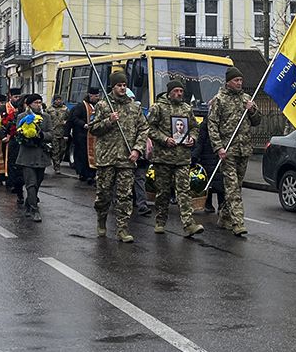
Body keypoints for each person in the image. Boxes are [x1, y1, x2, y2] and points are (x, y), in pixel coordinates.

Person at [90, 71, 148, 243]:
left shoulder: (134, 107)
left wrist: (137, 150)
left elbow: (144, 129)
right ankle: (101, 219)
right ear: (112, 87)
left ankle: (122, 229)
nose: (122, 88)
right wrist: (109, 121)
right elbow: (92, 128)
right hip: (106, 158)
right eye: (119, 85)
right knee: (104, 194)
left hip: (126, 158)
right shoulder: (102, 105)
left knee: (125, 195)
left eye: (124, 85)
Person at [205, 66, 261, 237]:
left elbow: (257, 121)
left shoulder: (246, 99)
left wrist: (252, 110)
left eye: (241, 80)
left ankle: (224, 215)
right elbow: (212, 125)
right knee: (232, 188)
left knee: (237, 186)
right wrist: (218, 147)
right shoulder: (219, 100)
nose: (239, 83)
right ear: (228, 82)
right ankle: (238, 222)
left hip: (244, 150)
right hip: (227, 150)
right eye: (236, 80)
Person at [146, 80, 203, 236]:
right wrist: (164, 139)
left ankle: (189, 224)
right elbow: (148, 128)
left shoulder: (186, 108)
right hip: (163, 158)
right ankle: (160, 221)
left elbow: (194, 127)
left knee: (184, 191)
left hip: (183, 158)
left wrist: (192, 138)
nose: (179, 94)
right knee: (163, 193)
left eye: (181, 91)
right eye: (176, 91)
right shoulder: (158, 107)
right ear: (170, 92)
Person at [14, 94, 52, 222]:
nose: (38, 105)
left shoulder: (46, 117)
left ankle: (29, 202)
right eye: (35, 102)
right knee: (31, 183)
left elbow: (51, 134)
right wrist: (26, 135)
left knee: (38, 181)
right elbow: (18, 133)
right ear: (29, 104)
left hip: (41, 155)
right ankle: (35, 209)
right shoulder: (22, 117)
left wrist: (41, 135)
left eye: (40, 102)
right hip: (27, 155)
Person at [70, 87, 101, 185]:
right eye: (95, 96)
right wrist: (84, 124)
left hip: (94, 135)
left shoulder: (99, 106)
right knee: (83, 156)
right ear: (90, 95)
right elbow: (74, 118)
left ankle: (92, 174)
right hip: (82, 136)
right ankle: (84, 174)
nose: (97, 98)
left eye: (98, 96)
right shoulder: (81, 106)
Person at [48, 95, 71, 173]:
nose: (58, 101)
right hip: (53, 132)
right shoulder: (49, 110)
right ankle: (56, 167)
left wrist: (66, 122)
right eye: (57, 100)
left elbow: (70, 119)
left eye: (59, 99)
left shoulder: (65, 109)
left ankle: (59, 161)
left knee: (63, 150)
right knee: (55, 150)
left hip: (62, 132)